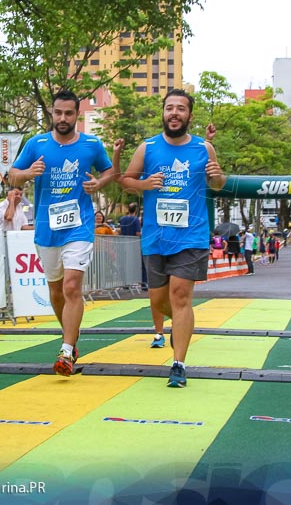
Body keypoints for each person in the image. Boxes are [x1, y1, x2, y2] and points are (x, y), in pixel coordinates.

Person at [119, 88, 225, 388]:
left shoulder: (204, 148)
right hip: (155, 237)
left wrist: (217, 176)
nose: (174, 113)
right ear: (163, 113)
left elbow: (217, 183)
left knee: (180, 297)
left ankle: (178, 363)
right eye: (169, 108)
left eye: (180, 108)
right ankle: (183, 325)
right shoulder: (148, 147)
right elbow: (125, 181)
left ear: (189, 115)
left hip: (191, 236)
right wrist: (144, 183)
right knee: (159, 301)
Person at [8, 89, 117, 377]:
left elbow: (109, 172)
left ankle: (66, 350)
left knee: (71, 287)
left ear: (77, 115)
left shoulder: (91, 144)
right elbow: (11, 175)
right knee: (56, 290)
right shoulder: (36, 143)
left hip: (79, 225)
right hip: (47, 228)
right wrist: (29, 173)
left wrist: (99, 184)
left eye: (69, 113)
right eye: (58, 113)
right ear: (52, 113)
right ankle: (69, 335)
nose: (63, 118)